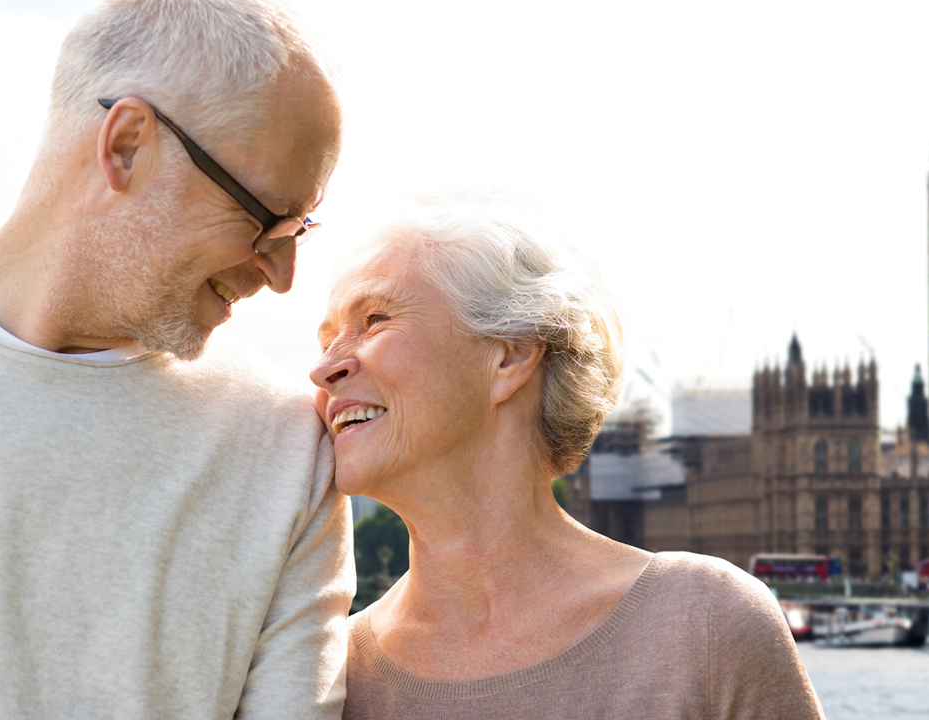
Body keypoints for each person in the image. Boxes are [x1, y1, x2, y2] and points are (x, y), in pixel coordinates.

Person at [0, 0, 353, 717]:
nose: (283, 274)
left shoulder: (287, 450)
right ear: (127, 144)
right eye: (267, 219)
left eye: (302, 228)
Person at [312, 205, 824, 719]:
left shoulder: (705, 624)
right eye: (327, 341)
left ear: (509, 356)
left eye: (374, 321)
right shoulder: (331, 679)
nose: (323, 368)